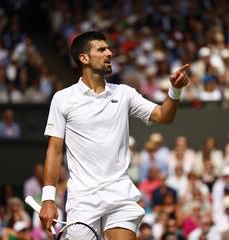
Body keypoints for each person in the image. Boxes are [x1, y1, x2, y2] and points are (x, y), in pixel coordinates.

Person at [39, 31, 190, 240]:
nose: (109, 53)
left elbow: (163, 115)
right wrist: (48, 199)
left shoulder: (124, 94)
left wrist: (174, 90)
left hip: (120, 195)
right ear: (84, 58)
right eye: (101, 49)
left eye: (108, 48)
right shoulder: (63, 99)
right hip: (83, 200)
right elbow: (54, 151)